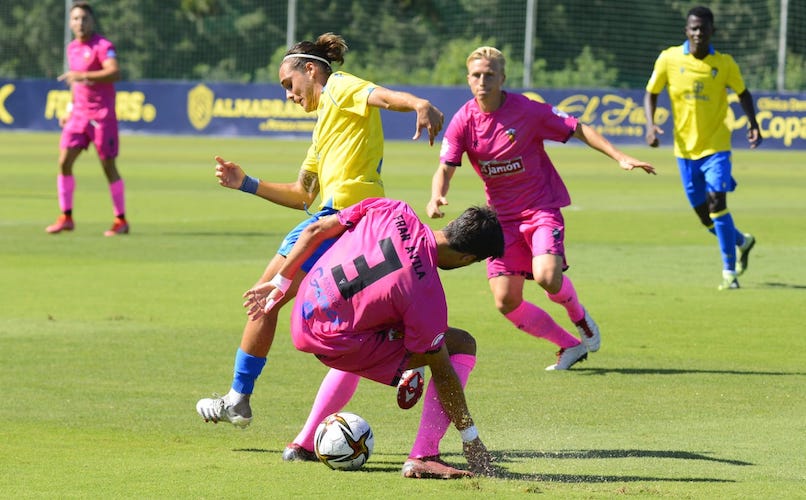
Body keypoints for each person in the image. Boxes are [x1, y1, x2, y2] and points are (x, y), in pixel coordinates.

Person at [195, 33, 445, 448]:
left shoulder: (340, 87)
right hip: (363, 224)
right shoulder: (322, 130)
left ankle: (238, 399)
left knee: (264, 299)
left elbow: (381, 97)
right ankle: (408, 361)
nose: (289, 95)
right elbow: (301, 194)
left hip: (339, 218)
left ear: (311, 69)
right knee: (353, 313)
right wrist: (247, 184)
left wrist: (418, 104)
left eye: (288, 84)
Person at [427, 46, 656, 371]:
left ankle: (582, 320)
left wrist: (620, 157)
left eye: (489, 75)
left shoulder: (527, 111)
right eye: (477, 75)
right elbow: (446, 167)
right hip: (501, 221)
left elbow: (577, 127)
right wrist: (437, 195)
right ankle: (570, 346)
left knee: (547, 276)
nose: (482, 81)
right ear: (468, 79)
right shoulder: (464, 120)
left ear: (502, 78)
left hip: (540, 209)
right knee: (506, 301)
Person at [241, 197, 504, 478]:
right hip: (333, 341)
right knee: (459, 344)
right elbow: (442, 371)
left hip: (304, 309)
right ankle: (424, 454)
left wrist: (280, 281)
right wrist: (470, 437)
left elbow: (314, 231)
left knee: (393, 323)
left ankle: (303, 444)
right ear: (466, 258)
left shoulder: (393, 208)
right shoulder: (427, 295)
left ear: (452, 223)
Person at [644, 6, 759, 291]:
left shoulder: (725, 64)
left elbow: (743, 93)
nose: (698, 33)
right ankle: (743, 242)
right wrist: (650, 125)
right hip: (684, 151)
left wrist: (753, 123)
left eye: (703, 28)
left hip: (717, 147)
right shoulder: (669, 58)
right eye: (693, 28)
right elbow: (651, 92)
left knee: (718, 204)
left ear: (712, 31)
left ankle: (729, 273)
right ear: (686, 31)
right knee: (704, 216)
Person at [46, 1, 129, 236]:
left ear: (92, 21)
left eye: (84, 18)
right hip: (78, 116)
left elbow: (114, 72)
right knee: (64, 163)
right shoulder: (72, 48)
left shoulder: (103, 46)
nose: (80, 23)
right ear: (70, 23)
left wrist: (81, 75)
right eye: (76, 19)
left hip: (102, 116)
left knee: (108, 166)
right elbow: (76, 85)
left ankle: (121, 220)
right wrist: (70, 108)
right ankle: (66, 216)